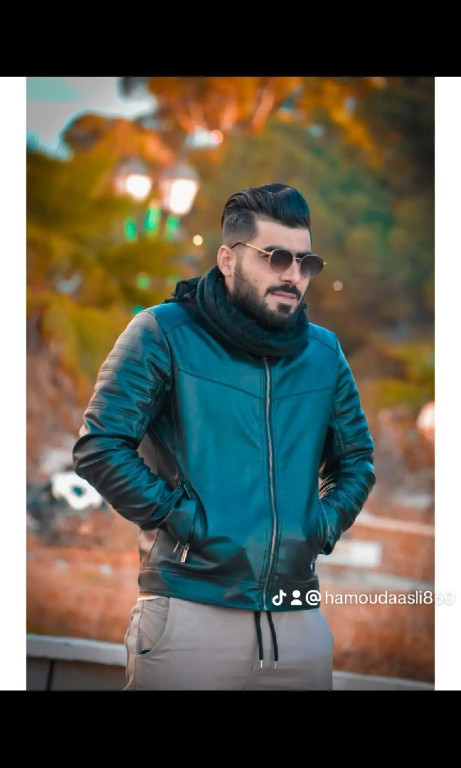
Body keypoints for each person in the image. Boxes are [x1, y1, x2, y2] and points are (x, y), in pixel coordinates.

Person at [72, 183, 375, 691]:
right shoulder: (162, 332)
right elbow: (100, 446)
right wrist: (187, 521)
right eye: (276, 258)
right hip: (190, 614)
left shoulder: (324, 354)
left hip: (298, 623)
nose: (293, 275)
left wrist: (317, 526)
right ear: (227, 259)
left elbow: (357, 461)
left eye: (305, 262)